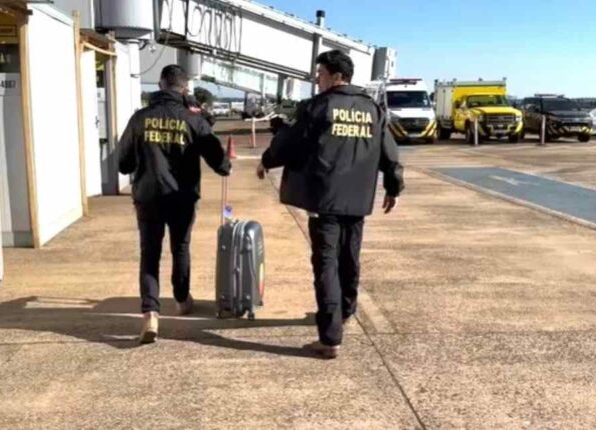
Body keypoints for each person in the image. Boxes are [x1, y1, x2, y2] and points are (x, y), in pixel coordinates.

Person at [256, 50, 404, 359]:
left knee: (325, 264)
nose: (317, 79)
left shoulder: (317, 107)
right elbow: (389, 151)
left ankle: (330, 336)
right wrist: (393, 186)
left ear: (337, 75)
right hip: (358, 199)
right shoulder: (372, 109)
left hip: (324, 199)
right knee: (349, 259)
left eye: (320, 73)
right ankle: (344, 312)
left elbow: (289, 145)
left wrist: (267, 160)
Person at [119, 65, 231, 344]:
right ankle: (181, 300)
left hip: (147, 195)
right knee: (180, 247)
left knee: (149, 253)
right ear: (185, 88)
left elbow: (123, 164)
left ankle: (150, 314)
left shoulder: (140, 118)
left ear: (160, 84)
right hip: (182, 197)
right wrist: (226, 163)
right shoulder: (193, 120)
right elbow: (219, 163)